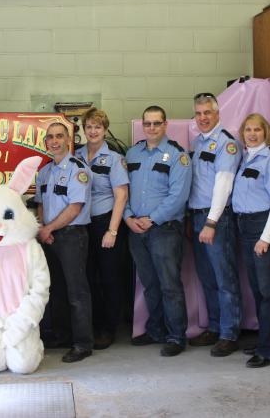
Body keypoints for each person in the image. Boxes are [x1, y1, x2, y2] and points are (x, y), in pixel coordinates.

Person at [124, 106, 191, 357]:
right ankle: (156, 330)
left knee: (169, 285)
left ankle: (176, 336)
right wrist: (128, 217)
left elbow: (178, 196)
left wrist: (151, 220)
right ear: (143, 125)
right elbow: (122, 191)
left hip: (164, 229)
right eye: (148, 123)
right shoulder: (132, 154)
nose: (152, 128)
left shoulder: (177, 155)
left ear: (165, 125)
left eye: (156, 123)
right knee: (150, 284)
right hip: (135, 229)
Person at [232, 114, 270, 368]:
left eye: (257, 129)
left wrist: (265, 238)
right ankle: (266, 340)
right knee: (258, 290)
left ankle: (269, 350)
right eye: (248, 129)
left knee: (269, 292)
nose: (252, 134)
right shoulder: (245, 158)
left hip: (266, 227)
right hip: (245, 226)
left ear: (266, 132)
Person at [189, 92, 242, 357]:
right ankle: (213, 326)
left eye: (207, 113)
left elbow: (223, 185)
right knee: (207, 277)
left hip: (216, 220)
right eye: (198, 114)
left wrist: (211, 221)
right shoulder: (199, 142)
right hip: (197, 217)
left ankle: (229, 333)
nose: (203, 118)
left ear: (218, 114)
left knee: (224, 277)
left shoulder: (226, 144)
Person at [35, 122, 94, 363]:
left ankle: (82, 343)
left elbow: (75, 207)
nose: (54, 141)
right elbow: (40, 203)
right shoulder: (45, 172)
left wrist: (48, 228)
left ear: (69, 139)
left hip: (72, 236)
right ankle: (62, 335)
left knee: (76, 291)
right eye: (50, 137)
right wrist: (42, 228)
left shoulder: (78, 170)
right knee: (56, 289)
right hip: (50, 237)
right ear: (46, 142)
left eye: (59, 136)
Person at [74, 108, 129, 350]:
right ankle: (93, 326)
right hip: (82, 225)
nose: (93, 131)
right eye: (89, 127)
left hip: (106, 222)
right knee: (89, 278)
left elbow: (122, 196)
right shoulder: (76, 156)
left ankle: (108, 329)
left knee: (109, 278)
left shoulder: (114, 159)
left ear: (105, 130)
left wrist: (113, 231)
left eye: (98, 127)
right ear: (84, 130)